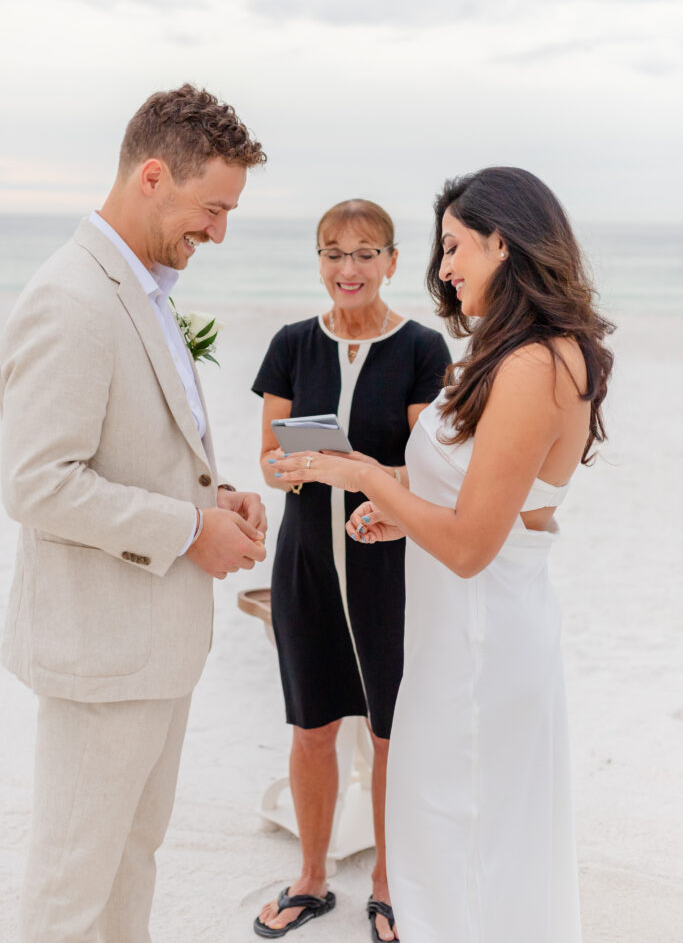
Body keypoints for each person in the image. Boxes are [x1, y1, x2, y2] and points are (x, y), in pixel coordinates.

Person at [272, 168, 615, 943]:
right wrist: (396, 510)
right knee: (455, 831)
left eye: (455, 246)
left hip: (480, 641)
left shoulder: (533, 365)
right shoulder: (512, 352)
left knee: (468, 839)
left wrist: (361, 474)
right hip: (458, 631)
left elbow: (468, 548)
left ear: (505, 241)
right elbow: (483, 502)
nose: (445, 266)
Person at [0, 84, 269, 943]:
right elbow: (35, 481)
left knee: (130, 860)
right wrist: (191, 532)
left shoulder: (141, 286)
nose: (219, 231)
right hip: (103, 653)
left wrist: (211, 501)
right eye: (212, 208)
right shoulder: (72, 298)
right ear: (153, 175)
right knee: (72, 887)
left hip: (152, 650)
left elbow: (130, 452)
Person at [251, 199, 451, 940]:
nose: (348, 268)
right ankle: (310, 878)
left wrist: (364, 474)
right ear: (320, 264)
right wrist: (291, 465)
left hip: (388, 567)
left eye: (365, 253)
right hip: (304, 564)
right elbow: (268, 461)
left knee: (388, 733)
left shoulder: (423, 349)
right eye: (333, 253)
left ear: (392, 262)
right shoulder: (290, 345)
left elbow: (431, 474)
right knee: (310, 726)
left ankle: (389, 881)